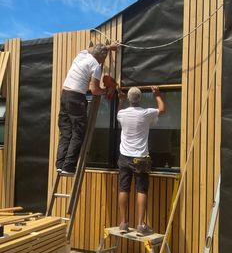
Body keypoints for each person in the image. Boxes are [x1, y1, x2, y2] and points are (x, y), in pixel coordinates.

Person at [56, 41, 119, 176]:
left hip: (65, 95)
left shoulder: (82, 55)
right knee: (79, 131)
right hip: (76, 97)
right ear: (102, 56)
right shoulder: (95, 66)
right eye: (105, 56)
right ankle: (68, 166)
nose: (104, 59)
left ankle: (60, 164)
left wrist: (108, 47)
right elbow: (94, 90)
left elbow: (92, 49)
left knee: (66, 131)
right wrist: (106, 90)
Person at [117, 86, 165, 236]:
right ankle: (140, 226)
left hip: (124, 157)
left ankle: (123, 223)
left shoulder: (121, 113)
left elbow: (119, 110)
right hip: (141, 157)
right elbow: (162, 109)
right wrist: (157, 95)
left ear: (129, 99)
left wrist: (121, 100)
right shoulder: (146, 113)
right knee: (141, 190)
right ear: (140, 98)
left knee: (123, 189)